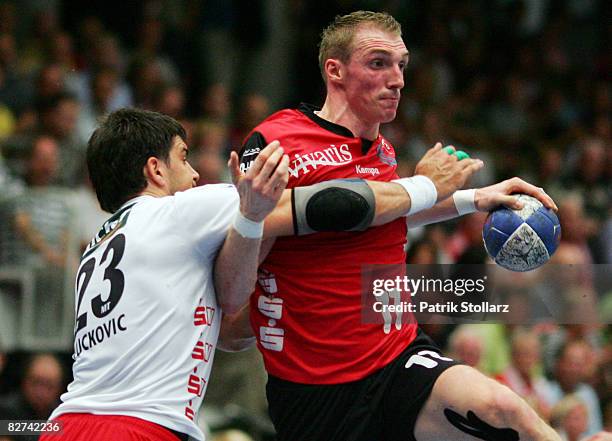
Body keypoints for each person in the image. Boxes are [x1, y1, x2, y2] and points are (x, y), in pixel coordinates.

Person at [41, 106, 488, 441]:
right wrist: (430, 188)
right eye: (183, 158)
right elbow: (328, 208)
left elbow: (230, 326)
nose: (196, 173)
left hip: (65, 424)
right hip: (138, 427)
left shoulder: (99, 246)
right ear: (154, 170)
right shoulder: (177, 212)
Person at [232, 10, 561, 441]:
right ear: (335, 70)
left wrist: (470, 199)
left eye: (402, 65)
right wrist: (422, 185)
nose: (398, 79)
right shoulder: (277, 139)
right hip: (315, 386)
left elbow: (389, 210)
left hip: (396, 352)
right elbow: (258, 215)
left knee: (502, 408)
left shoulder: (382, 148)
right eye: (378, 63)